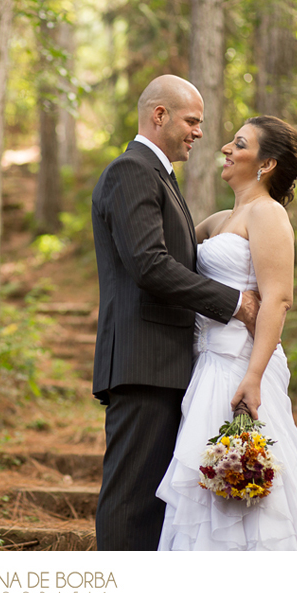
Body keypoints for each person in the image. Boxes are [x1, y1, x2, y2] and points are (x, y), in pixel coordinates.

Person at [155, 115, 297, 550]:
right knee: (208, 486)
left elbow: (278, 299)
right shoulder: (222, 218)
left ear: (265, 165)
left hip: (241, 367)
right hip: (205, 365)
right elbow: (167, 254)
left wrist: (254, 376)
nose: (226, 147)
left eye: (239, 144)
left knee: (252, 488)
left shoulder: (269, 214)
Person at [91, 75, 260, 550]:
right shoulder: (132, 170)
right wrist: (233, 303)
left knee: (153, 502)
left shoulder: (158, 175)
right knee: (132, 499)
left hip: (165, 365)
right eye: (192, 120)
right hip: (143, 364)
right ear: (159, 115)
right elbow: (149, 264)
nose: (200, 132)